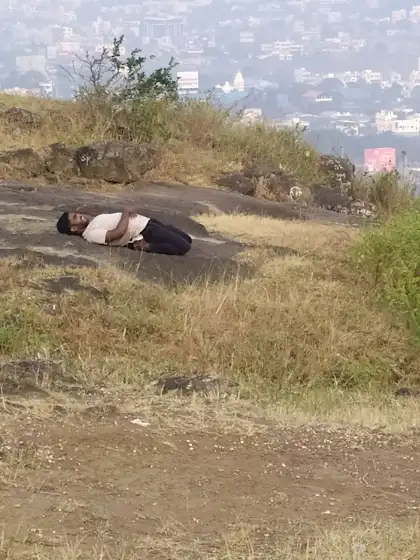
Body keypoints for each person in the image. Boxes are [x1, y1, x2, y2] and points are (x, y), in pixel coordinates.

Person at [56, 208, 192, 256]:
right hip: (145, 230)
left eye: (77, 214)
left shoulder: (92, 224)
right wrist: (126, 212)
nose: (79, 215)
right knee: (184, 247)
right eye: (75, 217)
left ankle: (145, 243)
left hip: (148, 222)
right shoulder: (91, 234)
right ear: (73, 228)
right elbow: (118, 233)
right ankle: (147, 246)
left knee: (187, 239)